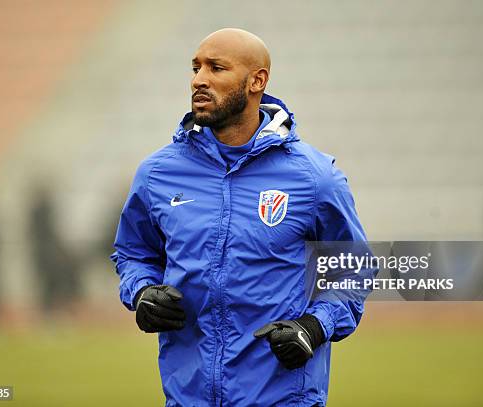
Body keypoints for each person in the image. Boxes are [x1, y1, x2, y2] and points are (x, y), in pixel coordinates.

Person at [111, 28, 375, 407]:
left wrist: (314, 326)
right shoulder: (157, 174)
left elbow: (352, 268)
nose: (199, 79)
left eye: (216, 68)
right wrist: (142, 292)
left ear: (257, 80)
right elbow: (134, 254)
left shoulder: (314, 177)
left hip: (283, 399)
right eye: (195, 67)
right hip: (187, 399)